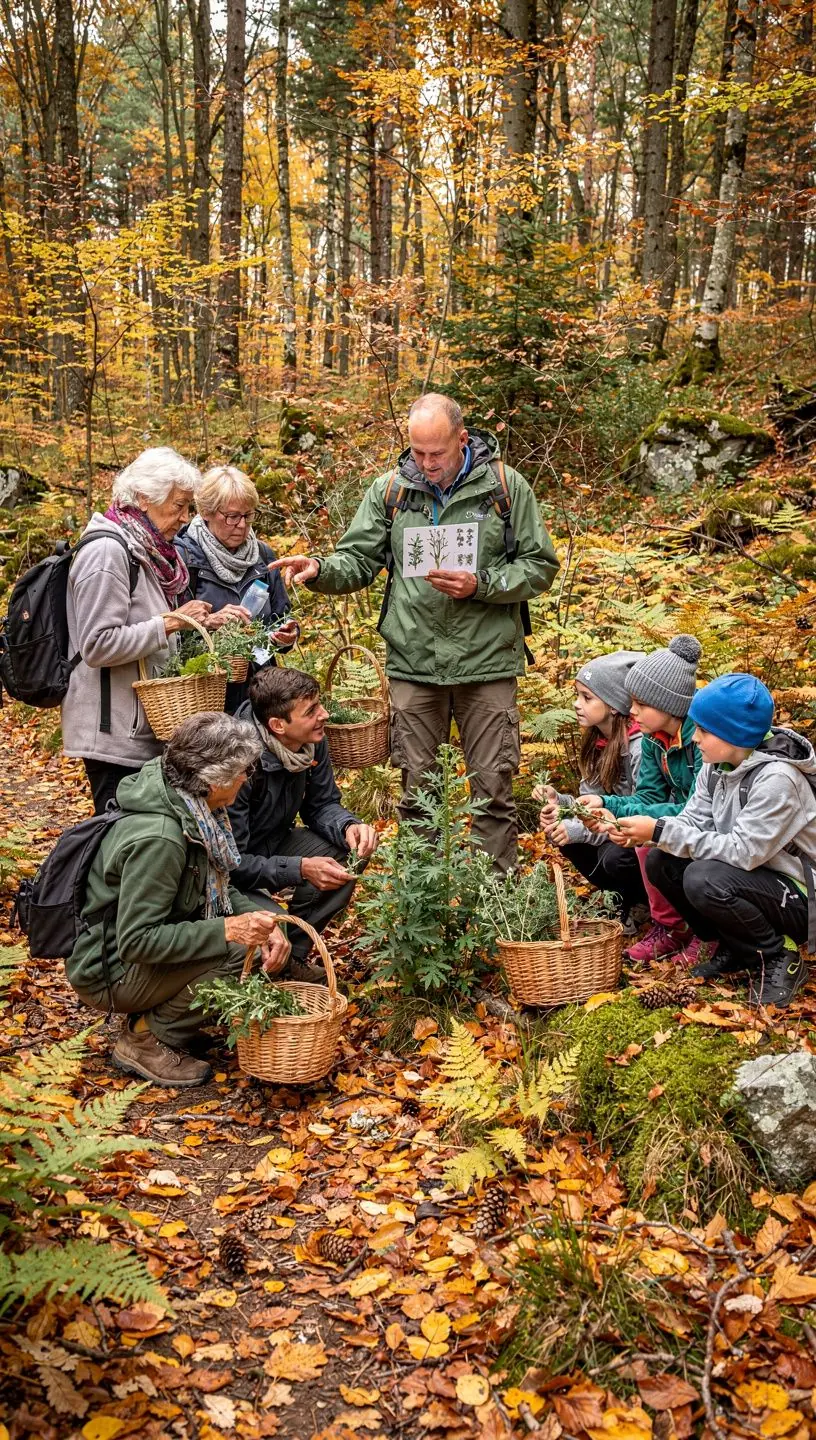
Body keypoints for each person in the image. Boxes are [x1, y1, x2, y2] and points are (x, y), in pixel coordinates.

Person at [270, 394, 559, 872]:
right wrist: (320, 567)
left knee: (493, 791)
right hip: (414, 663)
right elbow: (358, 559)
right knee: (417, 794)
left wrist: (482, 584)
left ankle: (493, 908)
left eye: (437, 454)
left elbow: (539, 566)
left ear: (461, 440)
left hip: (485, 663)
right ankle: (421, 905)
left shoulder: (505, 489)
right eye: (417, 452)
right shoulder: (392, 491)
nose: (426, 464)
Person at [65, 713, 292, 1087]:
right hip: (108, 971)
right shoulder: (163, 839)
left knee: (248, 939)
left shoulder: (192, 809)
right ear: (214, 779)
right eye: (242, 772)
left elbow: (214, 886)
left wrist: (261, 917)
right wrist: (229, 929)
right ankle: (144, 1038)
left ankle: (162, 1016)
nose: (245, 779)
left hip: (124, 958)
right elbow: (138, 940)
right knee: (238, 951)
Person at [616, 674, 816, 1007]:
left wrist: (659, 832)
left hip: (801, 895)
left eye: (705, 732)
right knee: (662, 862)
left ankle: (780, 956)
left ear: (736, 735)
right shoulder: (717, 766)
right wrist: (649, 833)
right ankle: (734, 947)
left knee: (703, 878)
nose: (696, 739)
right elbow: (693, 822)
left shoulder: (778, 780)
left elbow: (744, 852)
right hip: (759, 879)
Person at [63, 447, 217, 813]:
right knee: (125, 843)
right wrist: (171, 621)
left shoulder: (147, 551)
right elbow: (98, 645)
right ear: (145, 497)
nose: (185, 517)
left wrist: (196, 623)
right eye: (178, 505)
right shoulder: (107, 552)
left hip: (141, 728)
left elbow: (144, 626)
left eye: (188, 507)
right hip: (113, 734)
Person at [229, 666, 378, 978]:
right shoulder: (238, 763)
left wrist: (349, 826)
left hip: (274, 842)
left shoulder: (312, 740)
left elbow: (321, 804)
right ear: (277, 725)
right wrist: (300, 868)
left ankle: (291, 960)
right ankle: (261, 966)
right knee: (270, 930)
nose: (324, 715)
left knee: (347, 853)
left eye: (319, 704)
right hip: (229, 875)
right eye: (311, 711)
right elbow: (233, 865)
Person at [582, 635, 704, 966]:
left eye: (640, 703)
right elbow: (648, 796)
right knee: (644, 843)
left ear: (668, 704)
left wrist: (651, 825)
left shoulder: (703, 740)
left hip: (706, 830)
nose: (631, 711)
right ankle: (671, 928)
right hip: (682, 821)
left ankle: (704, 933)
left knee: (650, 841)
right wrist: (609, 807)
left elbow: (700, 810)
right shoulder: (654, 738)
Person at [534, 651, 648, 929]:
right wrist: (560, 803)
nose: (577, 704)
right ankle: (622, 899)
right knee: (563, 836)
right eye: (577, 695)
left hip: (639, 834)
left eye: (587, 697)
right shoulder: (598, 742)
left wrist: (579, 829)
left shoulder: (639, 747)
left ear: (613, 705)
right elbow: (591, 800)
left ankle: (642, 903)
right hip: (610, 827)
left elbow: (637, 806)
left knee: (615, 858)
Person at [175, 465, 299, 711]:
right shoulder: (184, 558)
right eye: (232, 516)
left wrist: (289, 634)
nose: (242, 525)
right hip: (207, 693)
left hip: (262, 693)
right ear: (206, 512)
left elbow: (281, 616)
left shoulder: (262, 555)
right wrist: (210, 621)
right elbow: (171, 630)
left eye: (248, 515)